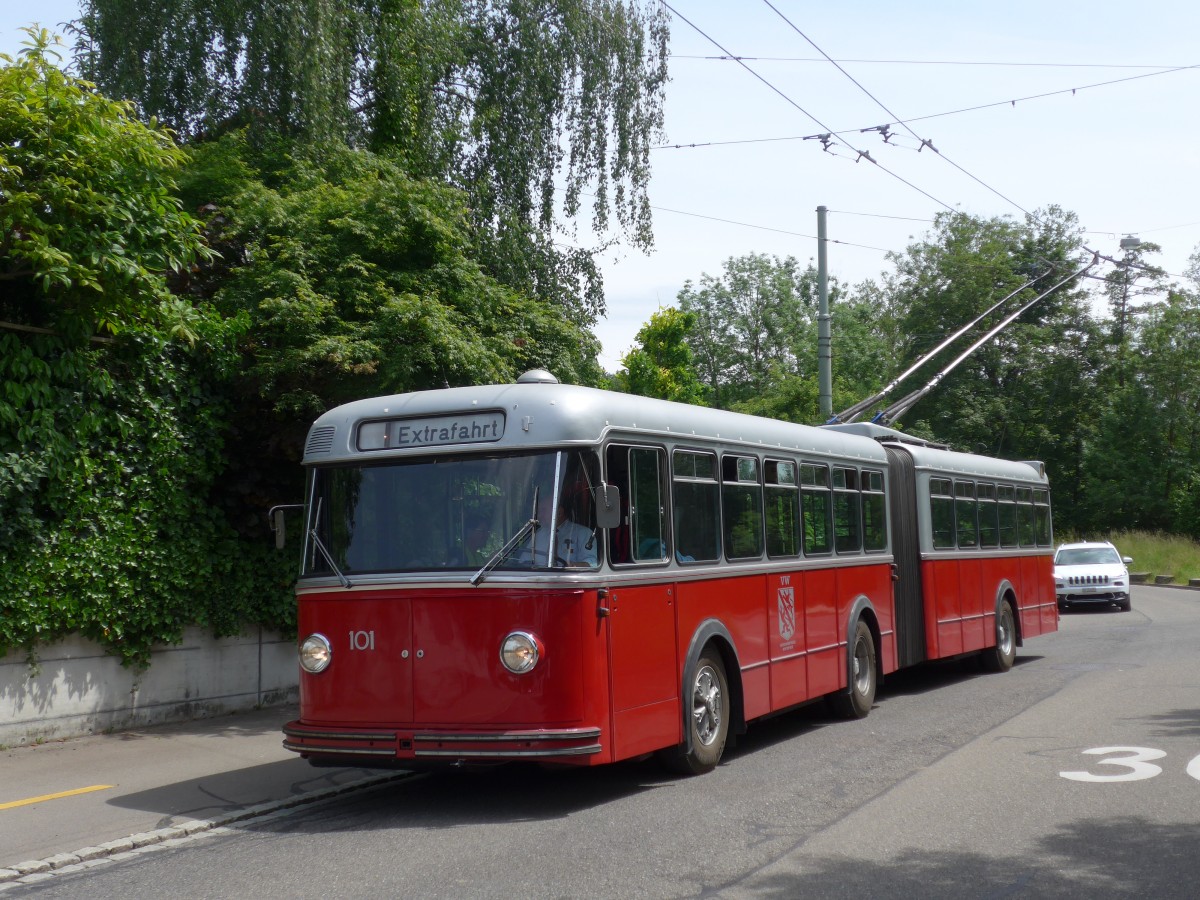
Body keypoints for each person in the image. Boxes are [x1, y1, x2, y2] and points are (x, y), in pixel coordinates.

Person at [524, 493, 597, 567]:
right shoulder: (538, 534)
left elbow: (593, 563)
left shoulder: (583, 533)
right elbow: (524, 560)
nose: (539, 515)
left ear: (559, 512)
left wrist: (574, 565)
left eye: (543, 510)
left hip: (568, 577)